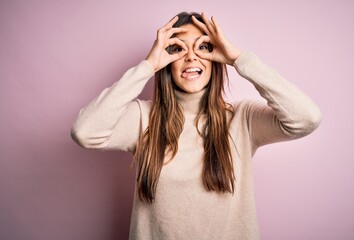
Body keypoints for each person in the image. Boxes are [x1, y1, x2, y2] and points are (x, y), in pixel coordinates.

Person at [71, 12, 321, 240]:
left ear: (216, 58)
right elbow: (85, 132)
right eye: (178, 49)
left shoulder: (242, 118)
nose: (191, 56)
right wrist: (147, 66)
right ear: (166, 60)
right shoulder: (142, 118)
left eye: (202, 47)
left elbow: (306, 118)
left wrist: (239, 59)